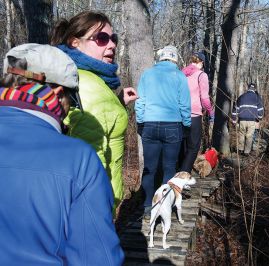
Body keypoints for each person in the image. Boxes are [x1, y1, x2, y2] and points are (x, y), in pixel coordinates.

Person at [0, 43, 124, 265]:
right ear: (58, 94)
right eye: (71, 102)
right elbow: (96, 258)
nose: (68, 111)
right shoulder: (79, 159)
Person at [51, 11, 138, 210]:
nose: (112, 45)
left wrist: (117, 103)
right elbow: (90, 164)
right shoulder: (88, 85)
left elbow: (88, 123)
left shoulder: (74, 77)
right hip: (91, 206)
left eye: (113, 38)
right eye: (102, 38)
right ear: (75, 42)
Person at [135, 45, 191, 213]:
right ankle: (164, 206)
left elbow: (140, 101)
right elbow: (184, 104)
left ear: (160, 58)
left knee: (149, 168)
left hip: (150, 124)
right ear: (175, 59)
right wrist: (186, 125)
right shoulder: (180, 76)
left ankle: (147, 205)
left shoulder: (147, 74)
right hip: (173, 126)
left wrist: (140, 122)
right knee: (169, 168)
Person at [180, 51, 214, 173]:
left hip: (179, 115)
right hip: (194, 116)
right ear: (202, 62)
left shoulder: (182, 73)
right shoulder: (201, 75)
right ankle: (183, 175)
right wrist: (211, 111)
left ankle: (177, 173)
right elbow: (204, 98)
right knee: (193, 147)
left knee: (182, 147)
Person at [232, 83, 264, 156]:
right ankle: (246, 152)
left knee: (241, 134)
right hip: (252, 120)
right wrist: (259, 118)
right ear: (255, 89)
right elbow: (260, 110)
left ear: (248, 88)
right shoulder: (257, 98)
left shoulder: (241, 97)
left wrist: (234, 120)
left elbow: (235, 109)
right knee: (249, 136)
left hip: (242, 120)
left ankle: (240, 149)